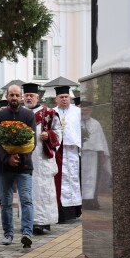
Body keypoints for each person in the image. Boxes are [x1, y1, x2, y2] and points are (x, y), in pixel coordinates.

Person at [0, 85, 37, 248]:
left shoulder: (28, 115)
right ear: (7, 96)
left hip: (24, 166)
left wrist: (20, 157)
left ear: (21, 97)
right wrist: (7, 158)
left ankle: (27, 232)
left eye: (17, 95)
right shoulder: (0, 115)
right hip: (5, 168)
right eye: (11, 95)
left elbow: (33, 142)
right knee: (5, 202)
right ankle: (8, 233)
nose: (14, 97)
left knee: (26, 200)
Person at [22, 83, 61, 235]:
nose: (29, 97)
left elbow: (58, 132)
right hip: (25, 158)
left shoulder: (48, 113)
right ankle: (28, 221)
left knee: (43, 189)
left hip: (42, 158)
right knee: (26, 189)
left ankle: (44, 221)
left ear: (38, 97)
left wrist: (49, 135)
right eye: (26, 95)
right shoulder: (19, 113)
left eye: (31, 95)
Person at [53, 85, 82, 222]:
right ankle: (61, 209)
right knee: (61, 179)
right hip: (58, 151)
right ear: (56, 99)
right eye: (61, 97)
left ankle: (75, 209)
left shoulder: (77, 111)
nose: (64, 99)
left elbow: (81, 129)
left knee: (73, 179)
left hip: (72, 150)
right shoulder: (52, 112)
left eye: (66, 97)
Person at [80, 103, 109, 210]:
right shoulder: (75, 122)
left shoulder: (95, 124)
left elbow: (100, 140)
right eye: (83, 110)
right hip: (80, 153)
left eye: (87, 110)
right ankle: (80, 201)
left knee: (94, 178)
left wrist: (102, 154)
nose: (85, 112)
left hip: (93, 155)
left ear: (91, 111)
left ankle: (92, 201)